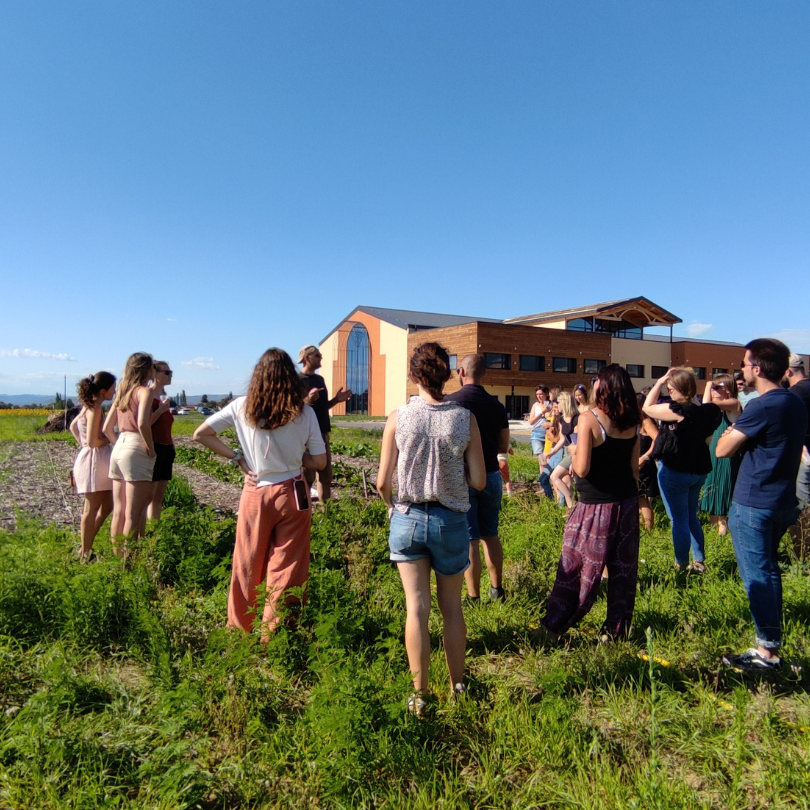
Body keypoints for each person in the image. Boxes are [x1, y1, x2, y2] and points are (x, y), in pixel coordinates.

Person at [377, 342, 486, 714]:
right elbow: (480, 479)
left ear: (413, 375)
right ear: (449, 375)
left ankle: (420, 695)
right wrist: (452, 476)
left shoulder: (398, 417)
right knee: (452, 608)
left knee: (416, 608)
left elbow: (382, 482)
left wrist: (391, 506)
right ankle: (459, 687)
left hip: (407, 517)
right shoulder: (464, 418)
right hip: (450, 520)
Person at [193, 348, 327, 638]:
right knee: (288, 564)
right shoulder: (304, 413)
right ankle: (276, 633)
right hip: (292, 490)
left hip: (255, 489)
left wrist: (237, 458)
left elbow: (201, 434)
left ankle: (241, 629)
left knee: (247, 561)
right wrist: (296, 457)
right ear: (291, 377)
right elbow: (319, 461)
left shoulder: (241, 406)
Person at [716, 339, 807, 672]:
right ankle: (771, 645)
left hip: (754, 501)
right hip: (782, 499)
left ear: (756, 367)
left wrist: (731, 431)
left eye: (744, 363)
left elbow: (722, 450)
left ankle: (766, 652)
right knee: (769, 571)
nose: (741, 369)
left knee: (757, 576)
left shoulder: (761, 405)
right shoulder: (794, 401)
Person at [539, 364, 641, 642]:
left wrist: (573, 449)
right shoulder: (633, 420)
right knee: (623, 571)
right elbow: (634, 469)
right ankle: (616, 631)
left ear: (603, 387)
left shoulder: (589, 419)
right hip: (627, 502)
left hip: (595, 506)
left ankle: (554, 626)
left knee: (577, 567)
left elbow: (582, 469)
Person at [446, 353, 510, 603]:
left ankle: (473, 596)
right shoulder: (496, 405)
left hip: (463, 476)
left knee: (470, 538)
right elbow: (503, 445)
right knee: (490, 534)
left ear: (461, 372)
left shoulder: (451, 402)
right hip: (491, 474)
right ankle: (497, 590)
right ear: (484, 374)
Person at [643, 367, 722, 572]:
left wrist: (659, 382)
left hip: (676, 469)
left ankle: (681, 563)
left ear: (681, 389)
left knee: (678, 519)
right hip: (698, 470)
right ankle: (699, 560)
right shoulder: (705, 412)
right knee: (691, 516)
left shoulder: (677, 410)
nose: (669, 392)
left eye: (671, 388)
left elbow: (647, 408)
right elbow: (707, 440)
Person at [104, 353, 156, 545]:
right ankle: (129, 558)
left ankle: (117, 555)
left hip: (119, 445)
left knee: (119, 511)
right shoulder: (145, 392)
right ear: (147, 370)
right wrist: (150, 448)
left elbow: (107, 428)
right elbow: (142, 423)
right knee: (133, 514)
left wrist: (117, 443)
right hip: (135, 445)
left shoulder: (122, 392)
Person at [71, 371, 116, 561]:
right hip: (94, 461)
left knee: (108, 505)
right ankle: (85, 553)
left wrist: (83, 443)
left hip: (96, 460)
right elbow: (92, 441)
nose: (114, 392)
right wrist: (109, 438)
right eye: (113, 388)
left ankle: (86, 546)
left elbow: (73, 427)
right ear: (104, 390)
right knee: (91, 509)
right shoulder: (95, 409)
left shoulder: (88, 408)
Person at [297, 345, 352, 503]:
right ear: (307, 358)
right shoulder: (297, 380)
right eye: (317, 355)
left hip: (322, 433)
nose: (320, 357)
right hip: (305, 435)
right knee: (306, 478)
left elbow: (322, 407)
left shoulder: (319, 380)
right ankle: (303, 511)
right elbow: (293, 409)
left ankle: (326, 512)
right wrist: (307, 400)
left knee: (325, 476)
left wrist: (336, 400)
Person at [699, 375, 742, 536]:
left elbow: (706, 405)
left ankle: (723, 531)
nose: (713, 391)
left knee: (723, 489)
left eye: (717, 388)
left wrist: (708, 384)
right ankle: (713, 531)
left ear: (728, 389)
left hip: (726, 455)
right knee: (712, 488)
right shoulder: (718, 409)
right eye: (712, 388)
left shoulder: (734, 403)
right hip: (714, 451)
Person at [147, 361, 175, 520]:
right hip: (154, 447)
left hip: (166, 449)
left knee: (158, 498)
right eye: (167, 372)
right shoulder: (148, 396)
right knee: (149, 497)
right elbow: (144, 423)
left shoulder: (162, 397)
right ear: (155, 374)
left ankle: (155, 529)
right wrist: (160, 410)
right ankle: (147, 529)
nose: (170, 375)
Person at [548, 391, 579, 509]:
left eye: (559, 403)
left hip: (575, 451)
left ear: (565, 403)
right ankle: (571, 505)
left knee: (554, 476)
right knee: (566, 481)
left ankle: (570, 503)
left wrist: (573, 461)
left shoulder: (577, 419)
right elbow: (561, 440)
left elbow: (577, 441)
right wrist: (551, 452)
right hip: (566, 451)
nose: (557, 405)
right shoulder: (561, 419)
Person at [636, 390, 659, 531]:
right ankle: (642, 527)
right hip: (637, 464)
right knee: (639, 498)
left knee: (643, 498)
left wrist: (645, 456)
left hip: (645, 464)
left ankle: (649, 528)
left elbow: (657, 439)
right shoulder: (636, 421)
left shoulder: (646, 421)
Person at [528, 386, 552, 496]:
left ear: (546, 394)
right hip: (537, 434)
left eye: (541, 394)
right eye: (537, 394)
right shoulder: (535, 405)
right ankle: (544, 486)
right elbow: (531, 421)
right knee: (541, 460)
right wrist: (541, 412)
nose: (539, 396)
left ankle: (550, 483)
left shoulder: (551, 405)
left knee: (549, 459)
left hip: (549, 434)